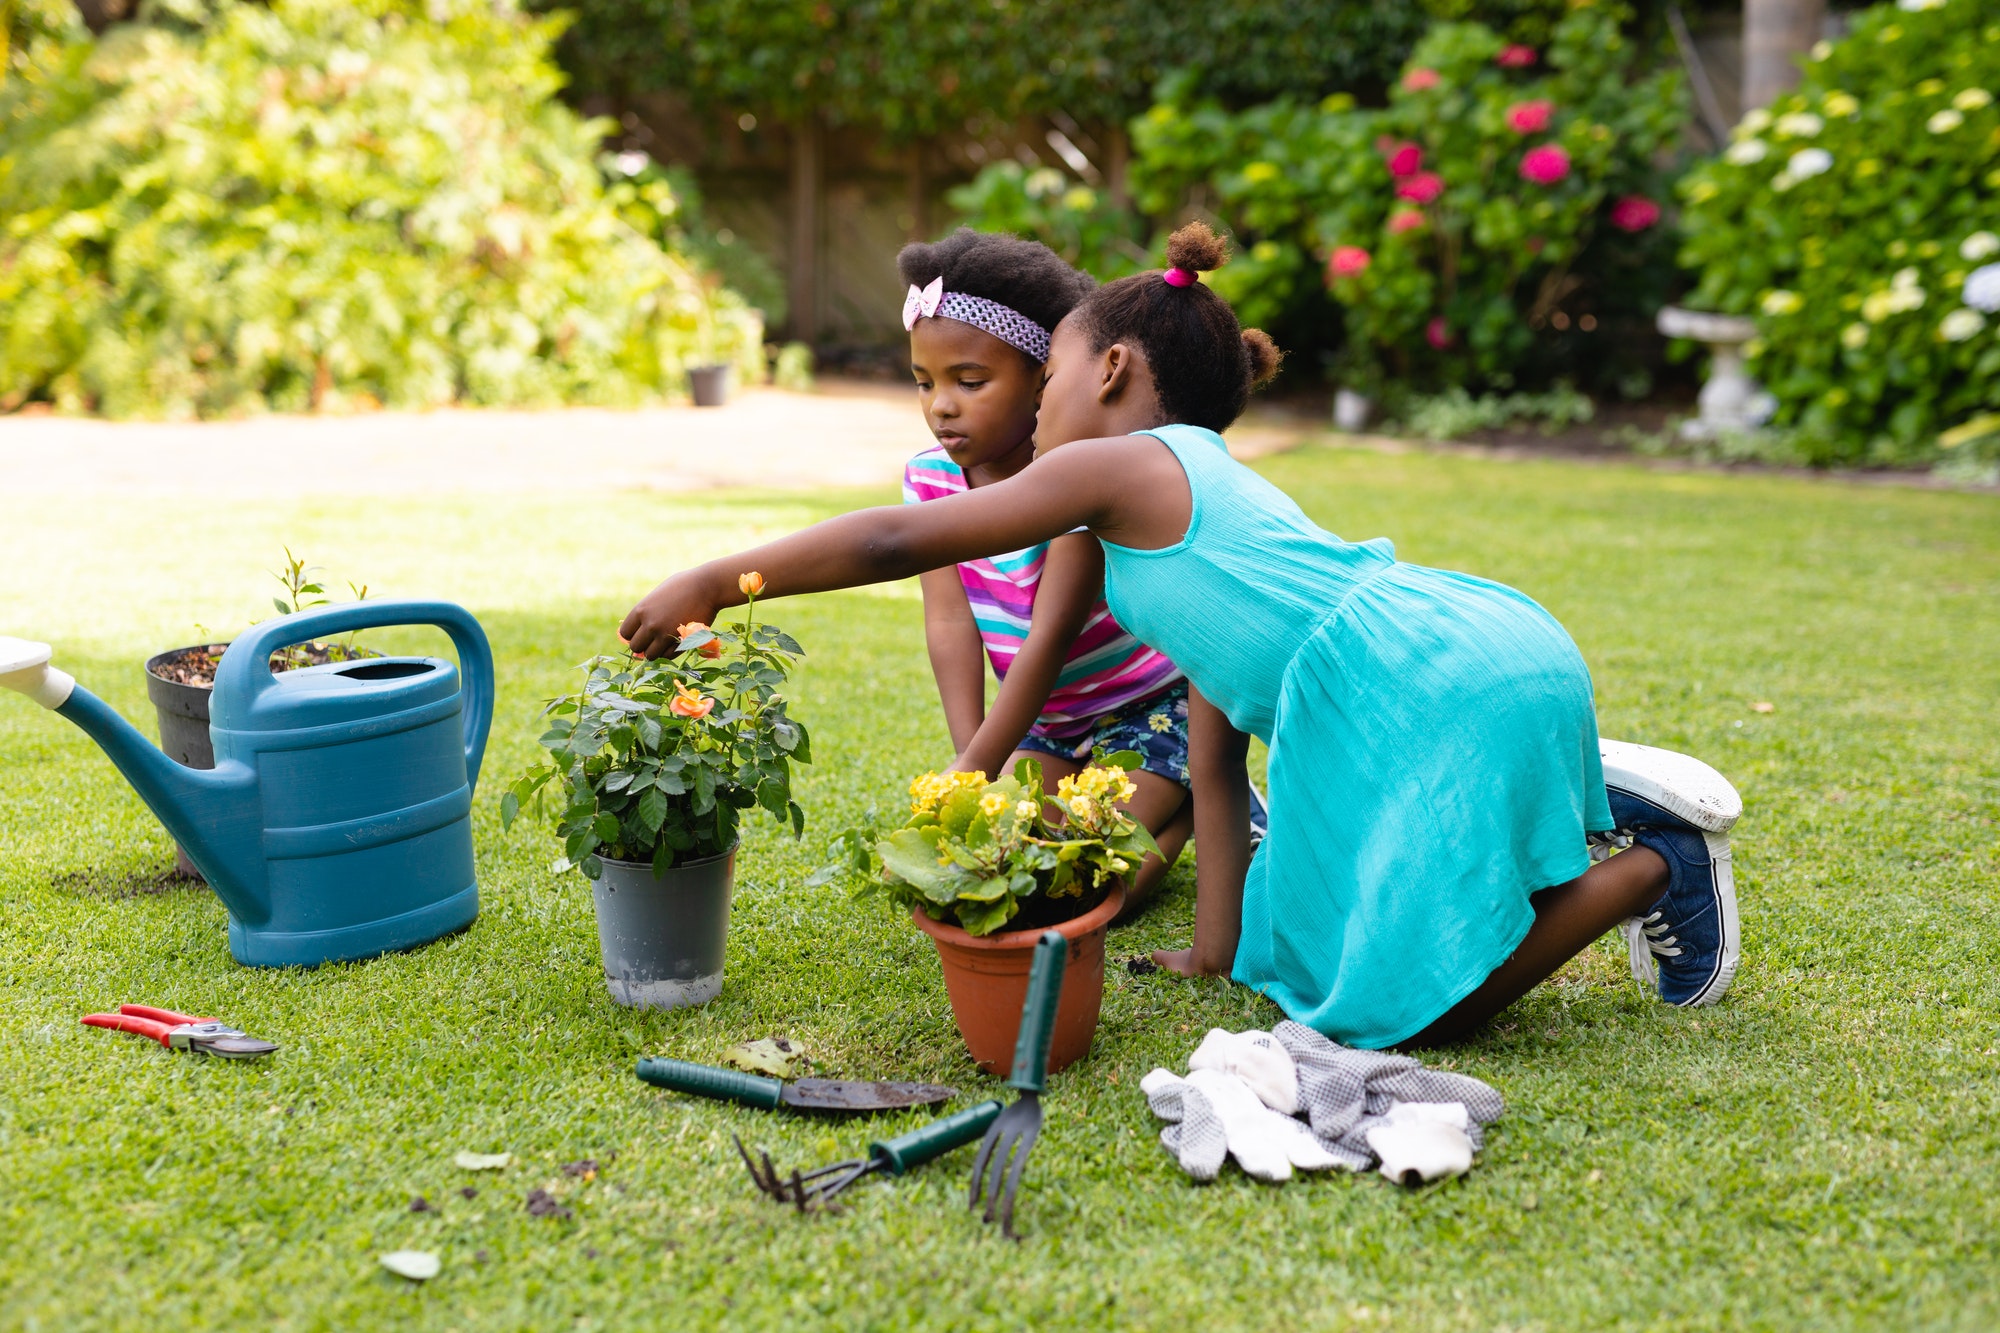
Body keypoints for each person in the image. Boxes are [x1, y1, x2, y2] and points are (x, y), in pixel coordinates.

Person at [620, 223, 1741, 1049]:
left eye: (1047, 373)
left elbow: (896, 540)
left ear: (1109, 372)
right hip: (1451, 657)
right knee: (1331, 958)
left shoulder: (1115, 465)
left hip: (1416, 683)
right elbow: (1211, 764)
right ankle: (1617, 816)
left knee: (1410, 1013)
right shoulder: (1184, 518)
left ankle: (1654, 862)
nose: (1040, 403)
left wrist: (721, 578)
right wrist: (1212, 954)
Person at [896, 229, 1230, 909]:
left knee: (1089, 880)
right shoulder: (928, 479)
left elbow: (1049, 637)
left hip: (1148, 710)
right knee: (1014, 855)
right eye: (924, 382)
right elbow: (949, 623)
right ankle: (1150, 798)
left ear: (1042, 376)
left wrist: (977, 768)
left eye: (970, 380)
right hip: (1045, 721)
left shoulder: (1078, 480)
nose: (941, 406)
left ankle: (1188, 805)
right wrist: (974, 768)